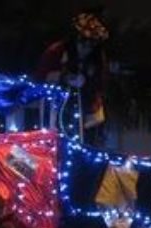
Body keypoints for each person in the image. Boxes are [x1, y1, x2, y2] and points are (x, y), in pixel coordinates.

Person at [35, 10, 109, 138]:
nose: (86, 48)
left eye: (91, 44)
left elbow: (100, 83)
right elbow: (41, 77)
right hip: (56, 109)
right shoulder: (56, 51)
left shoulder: (97, 58)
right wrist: (65, 78)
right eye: (83, 42)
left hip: (84, 113)